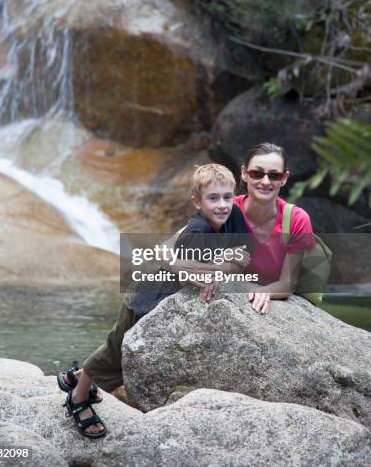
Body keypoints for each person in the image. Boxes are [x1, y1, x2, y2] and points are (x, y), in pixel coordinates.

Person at [58, 163, 250, 438]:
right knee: (117, 352)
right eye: (213, 198)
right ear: (197, 202)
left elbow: (244, 254)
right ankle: (77, 396)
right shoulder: (197, 233)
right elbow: (191, 275)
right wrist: (225, 263)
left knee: (120, 351)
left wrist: (225, 262)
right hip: (145, 300)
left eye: (227, 197)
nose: (222, 205)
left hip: (161, 300)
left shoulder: (232, 216)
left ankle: (77, 376)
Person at [234, 142, 315, 315]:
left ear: (284, 178)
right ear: (244, 173)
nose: (265, 182)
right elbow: (171, 247)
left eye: (274, 176)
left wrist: (265, 292)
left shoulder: (297, 219)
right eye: (257, 173)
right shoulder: (225, 210)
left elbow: (288, 283)